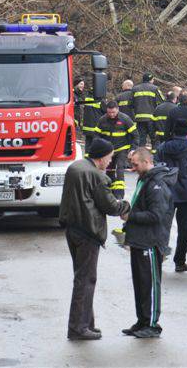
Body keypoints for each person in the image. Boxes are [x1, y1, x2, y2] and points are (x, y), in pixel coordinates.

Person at [59, 138, 130, 341]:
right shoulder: (96, 176)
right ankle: (78, 328)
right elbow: (111, 206)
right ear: (101, 157)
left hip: (73, 228)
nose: (110, 161)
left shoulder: (76, 167)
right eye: (109, 157)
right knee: (85, 280)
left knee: (82, 277)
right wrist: (126, 206)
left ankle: (86, 324)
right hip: (88, 231)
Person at [120, 147, 175, 339]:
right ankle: (142, 320)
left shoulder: (157, 184)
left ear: (146, 162)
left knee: (150, 284)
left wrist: (130, 216)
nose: (132, 168)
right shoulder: (144, 179)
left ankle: (152, 324)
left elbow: (156, 215)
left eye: (135, 164)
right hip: (139, 240)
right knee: (140, 283)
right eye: (131, 164)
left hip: (150, 241)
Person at [157, 120, 187, 272]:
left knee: (163, 226)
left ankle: (158, 258)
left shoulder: (162, 147)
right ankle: (179, 261)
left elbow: (157, 165)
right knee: (184, 230)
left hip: (166, 191)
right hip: (186, 193)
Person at [91, 101, 138, 198]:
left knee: (119, 169)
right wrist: (99, 146)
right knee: (109, 171)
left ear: (118, 110)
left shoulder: (125, 119)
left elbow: (135, 136)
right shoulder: (102, 120)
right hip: (108, 151)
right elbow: (96, 135)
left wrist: (133, 149)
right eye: (109, 113)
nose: (111, 115)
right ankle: (110, 194)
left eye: (113, 112)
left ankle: (119, 195)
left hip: (122, 149)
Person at [130, 74, 163, 148]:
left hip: (139, 119)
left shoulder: (135, 89)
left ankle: (141, 156)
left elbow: (130, 103)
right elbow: (162, 102)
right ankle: (154, 157)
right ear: (151, 80)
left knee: (141, 139)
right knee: (154, 139)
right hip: (151, 119)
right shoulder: (155, 88)